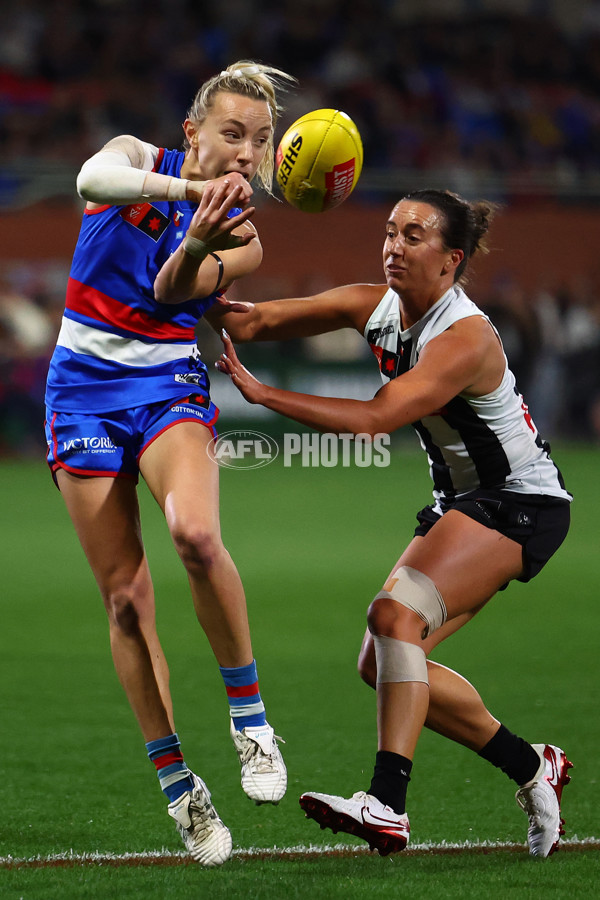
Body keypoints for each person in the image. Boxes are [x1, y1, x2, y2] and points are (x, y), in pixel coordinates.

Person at [214, 189, 573, 858]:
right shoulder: (374, 306)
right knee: (382, 661)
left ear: (451, 260)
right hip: (463, 502)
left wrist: (263, 395)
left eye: (413, 236)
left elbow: (377, 418)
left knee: (394, 618)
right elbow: (253, 321)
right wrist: (185, 273)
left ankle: (387, 805)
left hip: (519, 502)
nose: (393, 246)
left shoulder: (465, 335)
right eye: (389, 231)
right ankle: (531, 765)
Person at [44, 61, 296, 868]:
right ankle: (180, 786)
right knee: (125, 602)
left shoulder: (247, 239)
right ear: (192, 135)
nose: (245, 153)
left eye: (259, 143)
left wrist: (201, 235)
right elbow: (92, 177)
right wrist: (189, 198)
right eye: (231, 134)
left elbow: (168, 283)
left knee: (194, 534)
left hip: (164, 380)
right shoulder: (133, 156)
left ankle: (251, 720)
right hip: (81, 387)